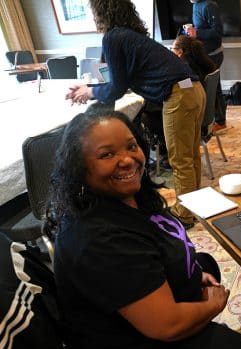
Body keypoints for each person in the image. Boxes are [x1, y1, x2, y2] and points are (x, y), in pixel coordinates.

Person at [44, 108, 241, 349]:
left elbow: (160, 243)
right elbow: (166, 325)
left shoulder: (132, 196)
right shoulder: (101, 239)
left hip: (150, 324)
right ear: (80, 168)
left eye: (131, 146)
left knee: (208, 266)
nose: (127, 159)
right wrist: (214, 304)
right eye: (107, 155)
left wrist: (194, 271)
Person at [65, 0, 205, 229]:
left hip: (179, 93)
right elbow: (124, 81)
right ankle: (194, 205)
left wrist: (88, 91)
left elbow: (115, 88)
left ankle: (185, 214)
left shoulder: (113, 37)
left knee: (181, 159)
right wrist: (90, 90)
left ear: (101, 12)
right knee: (190, 155)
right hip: (193, 88)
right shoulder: (132, 36)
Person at [186, 0, 227, 130]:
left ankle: (220, 122)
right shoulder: (195, 4)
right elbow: (202, 27)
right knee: (214, 86)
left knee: (213, 87)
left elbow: (218, 31)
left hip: (213, 54)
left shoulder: (209, 6)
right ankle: (218, 120)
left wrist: (197, 33)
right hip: (204, 53)